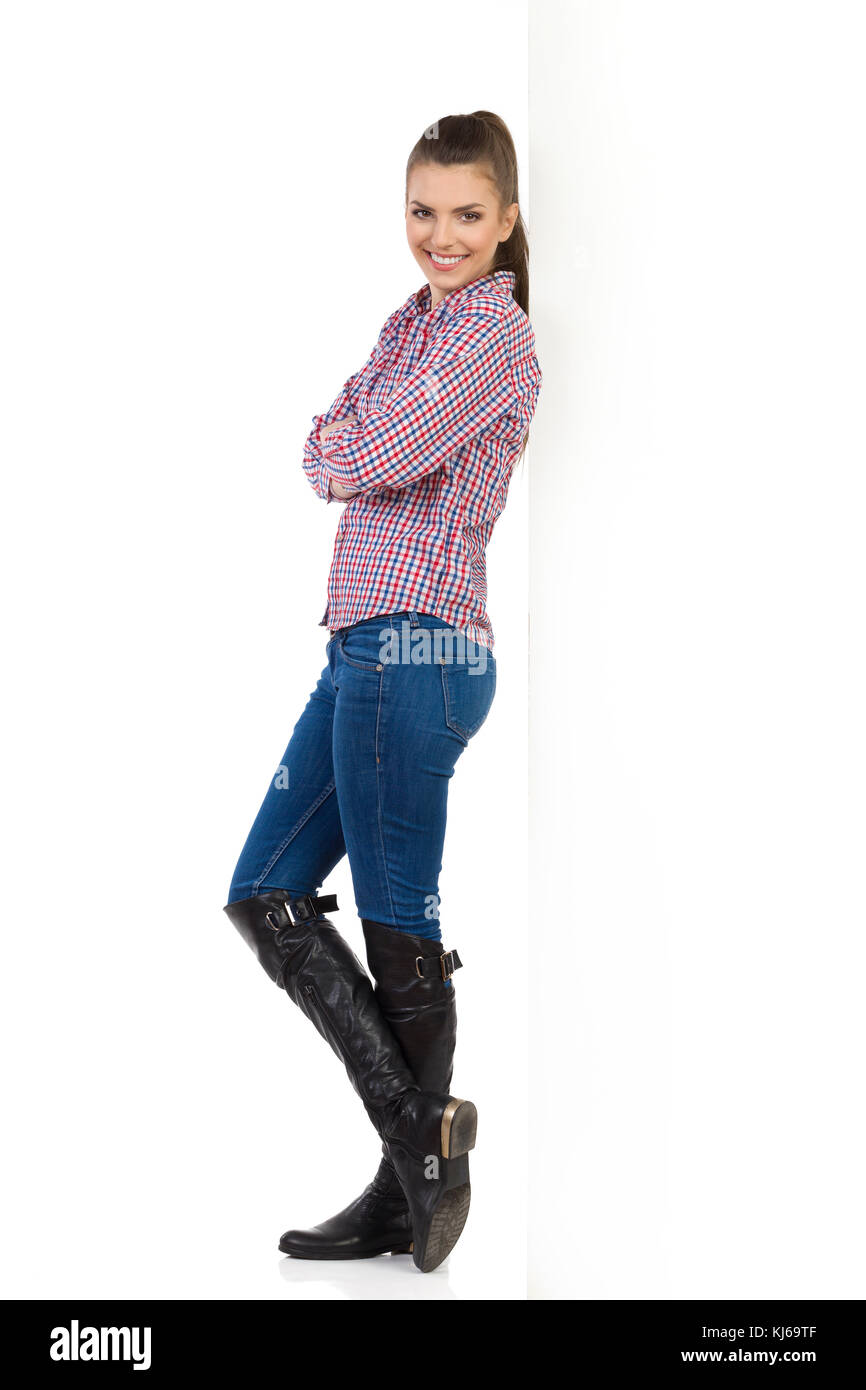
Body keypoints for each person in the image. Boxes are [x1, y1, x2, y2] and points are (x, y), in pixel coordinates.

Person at [222, 110, 542, 1274]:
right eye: (422, 212)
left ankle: (417, 1160)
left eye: (465, 214)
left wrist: (349, 440)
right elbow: (326, 445)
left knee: (399, 923)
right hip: (361, 648)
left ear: (505, 222)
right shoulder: (410, 323)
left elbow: (352, 456)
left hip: (419, 650)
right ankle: (414, 1147)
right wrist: (346, 439)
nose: (440, 234)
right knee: (263, 888)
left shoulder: (491, 342)